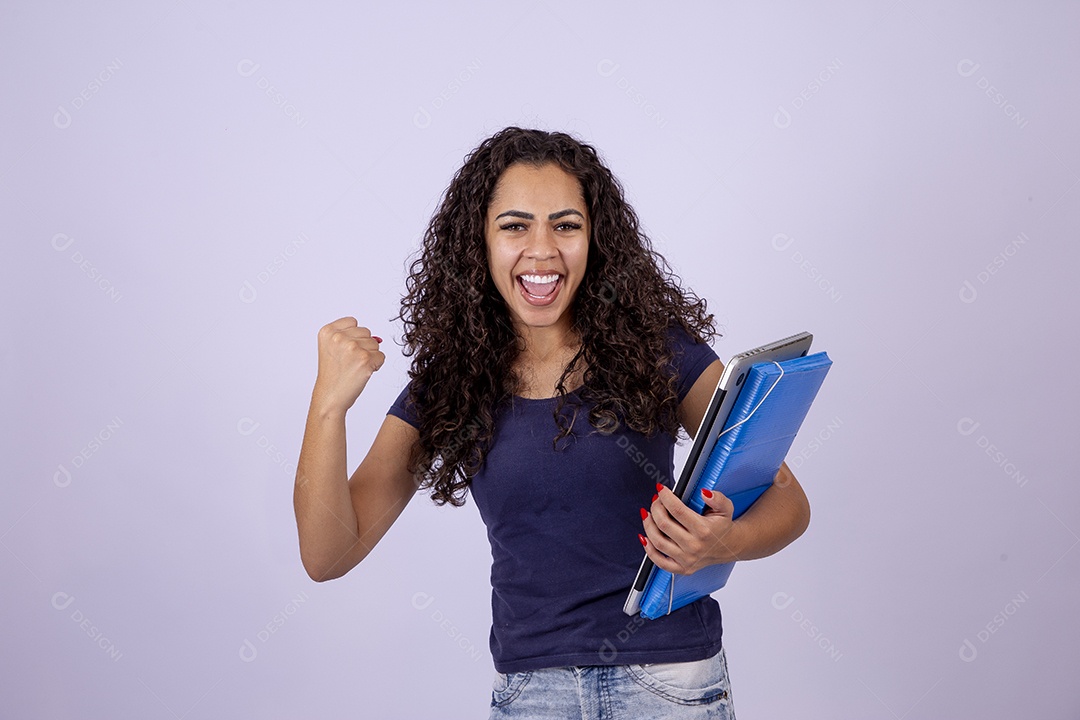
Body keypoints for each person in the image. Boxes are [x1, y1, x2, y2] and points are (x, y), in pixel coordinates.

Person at [293, 127, 811, 719]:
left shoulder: (658, 351)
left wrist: (726, 541)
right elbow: (326, 556)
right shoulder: (451, 384)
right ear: (478, 242)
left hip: (671, 684)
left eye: (565, 225)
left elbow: (790, 503)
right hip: (532, 696)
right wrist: (327, 408)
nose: (542, 250)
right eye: (515, 226)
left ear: (596, 239)